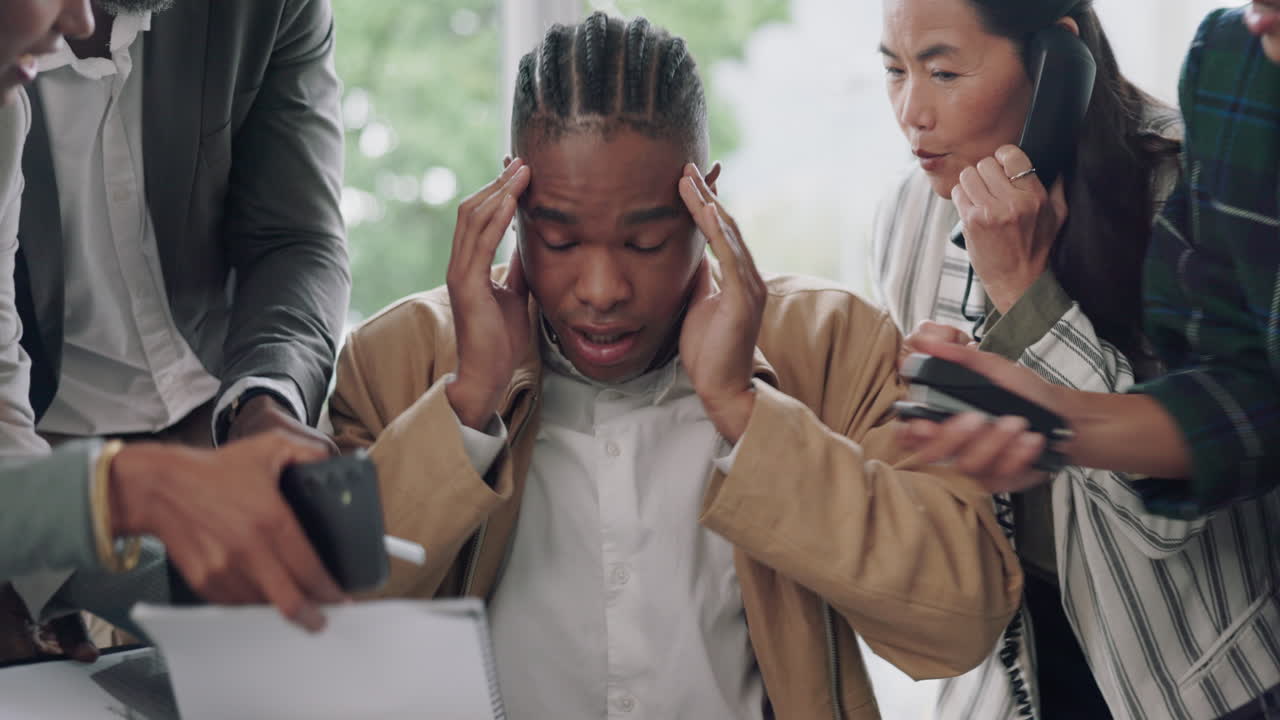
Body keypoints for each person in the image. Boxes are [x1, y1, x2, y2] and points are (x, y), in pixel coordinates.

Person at [329, 12, 1022, 719]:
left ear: (705, 202)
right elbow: (321, 628)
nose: (602, 290)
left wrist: (742, 410)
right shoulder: (398, 363)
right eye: (562, 240)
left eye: (648, 241)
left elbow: (957, 626)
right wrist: (468, 401)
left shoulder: (832, 345)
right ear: (512, 205)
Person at [890, 2, 1280, 717]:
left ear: (1055, 63)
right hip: (1018, 674)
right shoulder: (912, 212)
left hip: (1193, 684)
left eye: (943, 71)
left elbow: (1163, 523)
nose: (911, 111)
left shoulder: (1182, 186)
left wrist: (1023, 292)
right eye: (894, 70)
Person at [5, 0, 349, 658]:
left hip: (195, 428)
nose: (77, 24)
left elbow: (296, 239)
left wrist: (263, 401)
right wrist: (42, 548)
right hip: (50, 446)